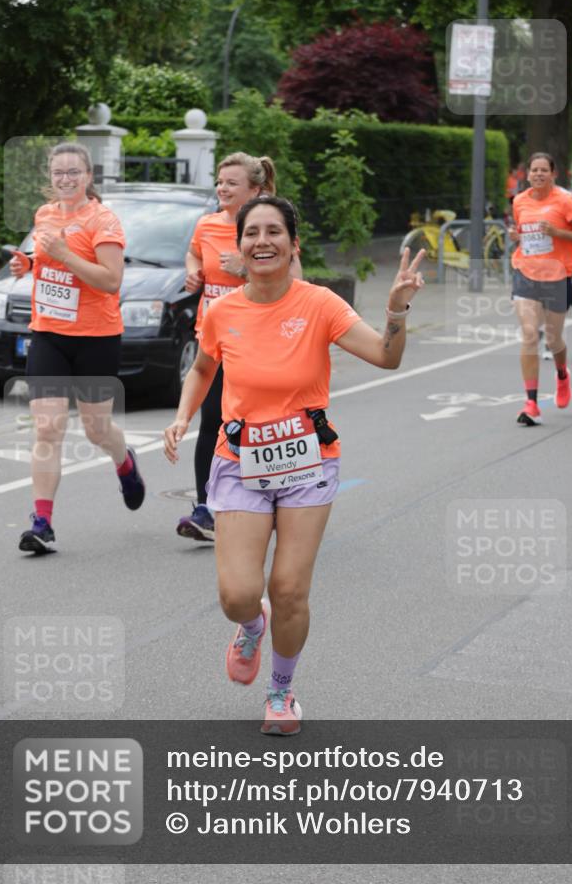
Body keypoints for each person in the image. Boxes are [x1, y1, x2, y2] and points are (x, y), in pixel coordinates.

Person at [164, 197, 424, 734]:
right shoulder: (224, 311)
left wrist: (396, 309)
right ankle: (252, 625)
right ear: (239, 249)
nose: (262, 241)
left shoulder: (320, 304)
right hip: (241, 462)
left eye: (273, 232)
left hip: (308, 462)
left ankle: (281, 693)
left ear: (292, 245)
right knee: (238, 595)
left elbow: (385, 355)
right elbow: (204, 366)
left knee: (289, 589)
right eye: (252, 233)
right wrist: (182, 416)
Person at [9, 143, 145, 553]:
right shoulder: (45, 215)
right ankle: (42, 523)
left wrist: (65, 254)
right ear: (50, 178)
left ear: (88, 177)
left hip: (96, 338)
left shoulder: (103, 221)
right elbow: (46, 259)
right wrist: (29, 265)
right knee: (48, 427)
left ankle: (124, 463)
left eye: (73, 172)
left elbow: (110, 281)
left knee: (96, 428)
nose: (65, 179)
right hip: (49, 333)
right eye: (58, 173)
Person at [176, 152, 302, 543]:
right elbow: (194, 251)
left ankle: (276, 498)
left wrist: (244, 269)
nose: (221, 189)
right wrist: (192, 270)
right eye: (219, 181)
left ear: (255, 189)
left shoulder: (262, 230)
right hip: (213, 339)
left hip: (256, 341)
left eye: (231, 183)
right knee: (211, 419)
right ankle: (205, 508)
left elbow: (296, 279)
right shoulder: (207, 224)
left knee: (257, 424)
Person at [510, 153, 572, 426]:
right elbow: (524, 233)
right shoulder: (519, 201)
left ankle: (561, 374)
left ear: (553, 174)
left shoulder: (565, 201)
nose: (539, 174)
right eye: (534, 170)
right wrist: (517, 237)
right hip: (525, 272)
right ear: (528, 174)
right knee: (530, 334)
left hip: (557, 275)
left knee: (554, 339)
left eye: (544, 170)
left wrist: (557, 233)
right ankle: (531, 402)